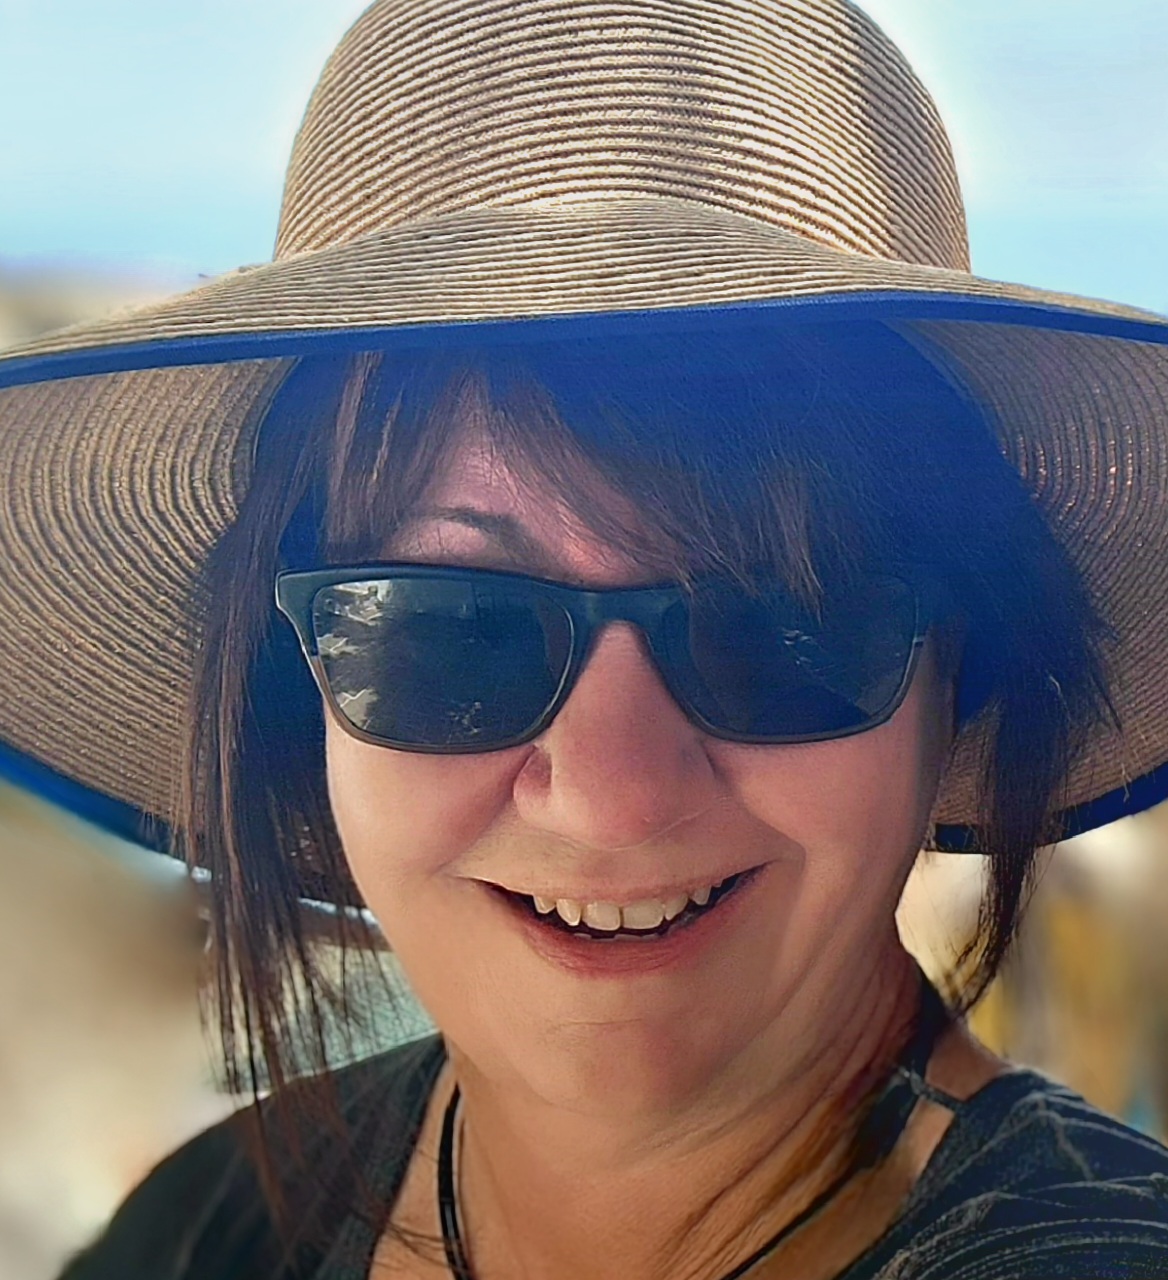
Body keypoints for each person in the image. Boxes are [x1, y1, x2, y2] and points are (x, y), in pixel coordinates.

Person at [1, 0, 1167, 1276]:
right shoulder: (206, 1226)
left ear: (964, 672)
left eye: (776, 621)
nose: (613, 795)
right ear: (300, 687)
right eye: (451, 629)